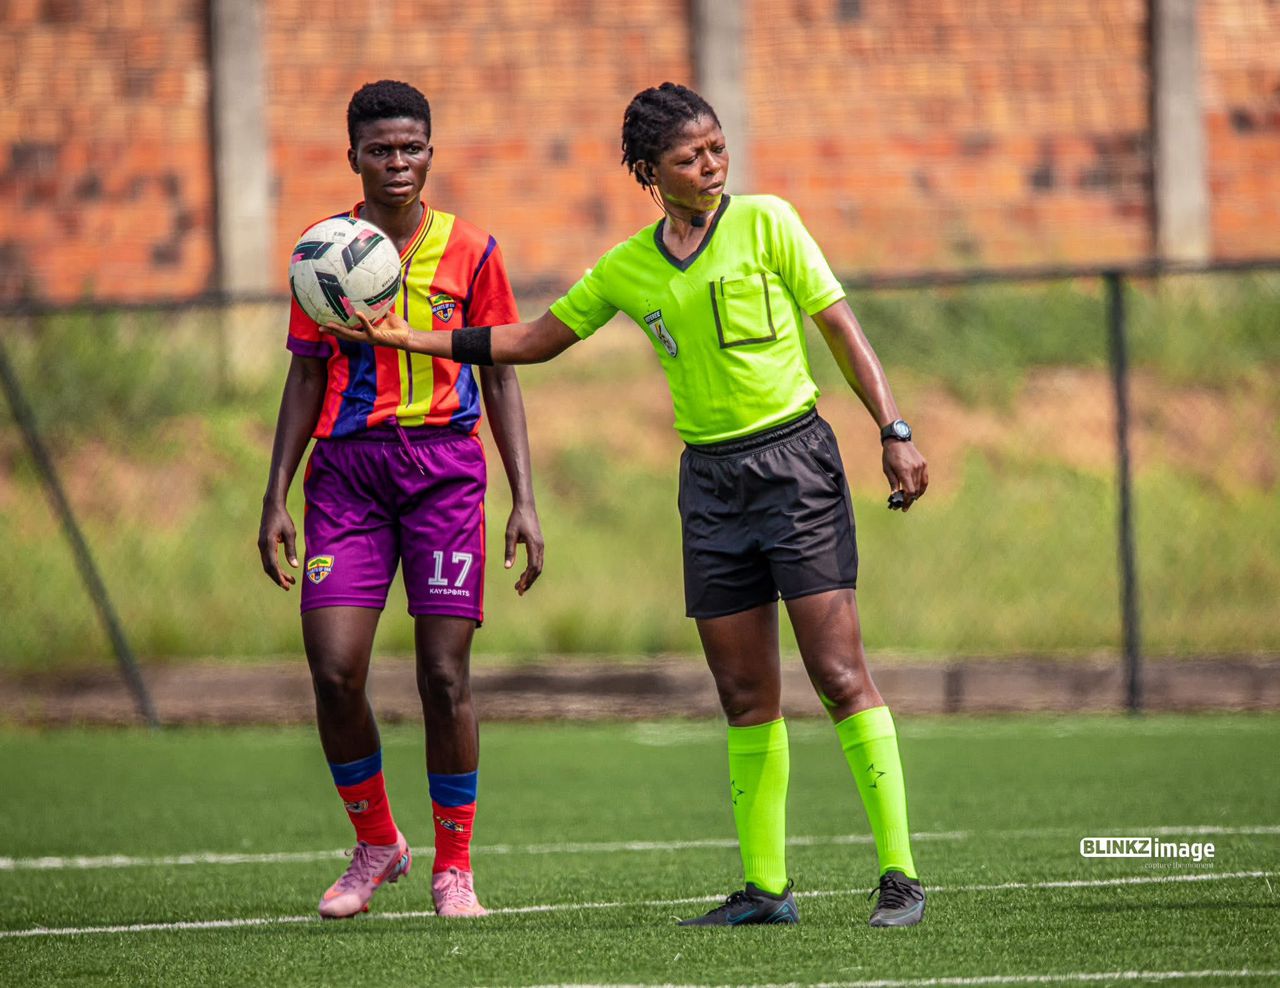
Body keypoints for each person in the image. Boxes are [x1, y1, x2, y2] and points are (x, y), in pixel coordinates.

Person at [321, 82, 928, 928]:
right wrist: (403, 337)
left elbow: (840, 328)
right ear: (650, 172)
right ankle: (766, 890)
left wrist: (892, 428)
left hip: (797, 468)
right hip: (711, 485)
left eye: (717, 148)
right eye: (690, 156)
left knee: (836, 674)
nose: (712, 165)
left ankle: (899, 877)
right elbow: (532, 340)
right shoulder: (628, 265)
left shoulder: (770, 222)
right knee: (744, 691)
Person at [258, 80, 544, 920]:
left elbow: (500, 370)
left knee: (443, 675)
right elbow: (305, 372)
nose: (398, 163)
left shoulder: (473, 252)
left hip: (445, 472)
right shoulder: (322, 255)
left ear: (431, 152)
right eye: (380, 149)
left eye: (411, 147)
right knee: (336, 669)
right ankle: (379, 844)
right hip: (347, 475)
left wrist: (524, 497)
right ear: (352, 156)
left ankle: (454, 868)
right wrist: (275, 492)